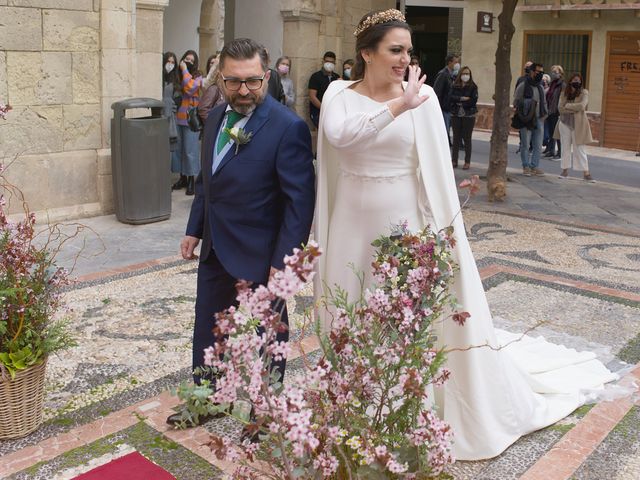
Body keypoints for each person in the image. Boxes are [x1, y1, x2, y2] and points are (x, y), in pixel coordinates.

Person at [314, 8, 615, 461]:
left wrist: (439, 240)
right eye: (395, 50)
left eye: (408, 51)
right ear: (367, 52)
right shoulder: (340, 92)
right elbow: (340, 136)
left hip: (403, 224)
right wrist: (400, 104)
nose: (404, 59)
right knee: (351, 308)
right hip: (351, 222)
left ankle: (404, 408)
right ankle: (354, 404)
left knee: (403, 317)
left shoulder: (427, 99)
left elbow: (432, 172)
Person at [168, 38, 315, 426]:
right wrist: (194, 229)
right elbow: (208, 180)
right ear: (221, 78)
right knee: (208, 326)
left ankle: (265, 414)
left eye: (253, 81)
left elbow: (299, 203)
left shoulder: (290, 128)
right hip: (216, 246)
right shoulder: (215, 118)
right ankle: (208, 399)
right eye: (234, 82)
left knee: (270, 336)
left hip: (263, 253)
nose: (244, 90)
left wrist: (285, 262)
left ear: (266, 76)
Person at [172, 50, 204, 195]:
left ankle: (192, 179)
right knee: (179, 150)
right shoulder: (178, 77)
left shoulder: (198, 77)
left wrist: (185, 69)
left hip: (190, 119)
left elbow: (190, 89)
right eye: (186, 59)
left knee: (190, 151)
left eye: (192, 60)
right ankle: (182, 177)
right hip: (178, 117)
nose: (189, 62)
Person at [556, 73, 595, 182]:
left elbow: (582, 106)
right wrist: (574, 109)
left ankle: (586, 173)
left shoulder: (584, 92)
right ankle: (564, 171)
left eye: (578, 80)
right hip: (564, 123)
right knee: (565, 148)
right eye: (574, 80)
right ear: (570, 81)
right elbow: (560, 108)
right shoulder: (564, 93)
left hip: (579, 124)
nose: (576, 82)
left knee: (580, 148)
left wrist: (568, 106)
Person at [513, 62, 547, 177]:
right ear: (532, 71)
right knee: (525, 144)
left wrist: (544, 115)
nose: (540, 74)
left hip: (539, 119)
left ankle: (534, 166)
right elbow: (516, 101)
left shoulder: (541, 87)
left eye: (542, 72)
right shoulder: (523, 85)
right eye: (539, 72)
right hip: (526, 119)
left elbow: (544, 103)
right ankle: (526, 166)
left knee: (538, 145)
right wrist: (524, 110)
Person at [449, 66, 478, 169]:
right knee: (456, 138)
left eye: (468, 74)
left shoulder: (473, 87)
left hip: (469, 114)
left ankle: (467, 162)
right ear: (460, 74)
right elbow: (451, 97)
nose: (466, 76)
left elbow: (472, 101)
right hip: (456, 113)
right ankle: (454, 160)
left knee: (467, 138)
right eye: (464, 74)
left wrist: (460, 102)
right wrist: (461, 98)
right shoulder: (455, 85)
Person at [308, 51, 340, 128]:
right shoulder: (316, 76)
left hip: (334, 113)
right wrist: (324, 108)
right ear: (323, 62)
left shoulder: (337, 77)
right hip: (319, 112)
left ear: (335, 63)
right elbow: (312, 97)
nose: (329, 64)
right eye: (327, 61)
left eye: (332, 62)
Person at [433, 53, 460, 145]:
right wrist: (438, 107)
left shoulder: (452, 75)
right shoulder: (443, 74)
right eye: (456, 62)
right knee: (445, 128)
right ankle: (445, 145)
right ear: (449, 62)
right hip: (444, 107)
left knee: (447, 127)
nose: (457, 64)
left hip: (449, 106)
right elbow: (437, 91)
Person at [544, 65, 564, 160]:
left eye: (556, 72)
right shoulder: (552, 83)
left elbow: (562, 98)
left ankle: (560, 153)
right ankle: (551, 151)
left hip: (557, 111)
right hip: (550, 111)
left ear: (560, 73)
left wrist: (560, 110)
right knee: (551, 132)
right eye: (552, 72)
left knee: (558, 133)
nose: (554, 74)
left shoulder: (562, 84)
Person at [198, 53, 225, 123]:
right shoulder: (213, 88)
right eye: (211, 63)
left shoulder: (226, 88)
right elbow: (203, 110)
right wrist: (214, 125)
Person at [162, 51, 179, 154]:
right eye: (168, 61)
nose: (170, 64)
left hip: (171, 115)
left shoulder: (175, 78)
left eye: (173, 62)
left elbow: (178, 96)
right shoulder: (159, 76)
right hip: (160, 113)